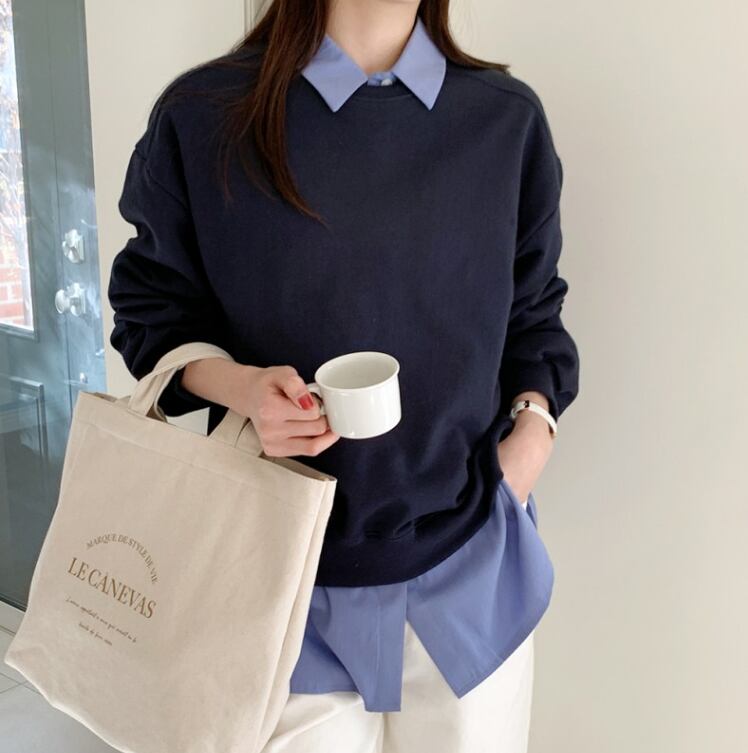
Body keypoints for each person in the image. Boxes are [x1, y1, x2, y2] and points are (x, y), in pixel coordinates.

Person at [107, 1, 580, 751]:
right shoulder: (204, 116)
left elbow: (534, 316)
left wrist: (531, 437)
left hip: (469, 569)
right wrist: (245, 390)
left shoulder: (504, 121)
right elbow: (152, 314)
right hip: (275, 584)